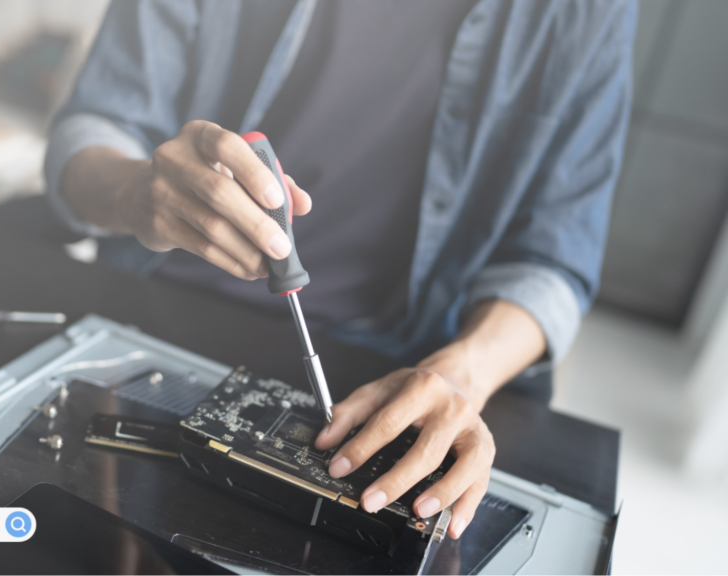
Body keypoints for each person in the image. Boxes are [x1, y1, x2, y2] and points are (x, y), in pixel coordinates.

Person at [44, 0, 636, 539]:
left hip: (396, 364)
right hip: (158, 313)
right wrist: (132, 194)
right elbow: (92, 127)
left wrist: (465, 373)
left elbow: (553, 260)